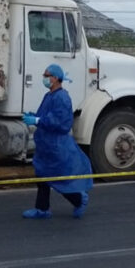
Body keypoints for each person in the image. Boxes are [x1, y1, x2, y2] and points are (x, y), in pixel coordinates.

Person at [22, 63, 94, 219]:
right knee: (43, 177)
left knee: (58, 179)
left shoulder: (62, 97)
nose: (44, 78)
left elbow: (60, 122)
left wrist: (37, 120)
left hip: (56, 146)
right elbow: (44, 115)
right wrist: (34, 116)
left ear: (55, 78)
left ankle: (79, 199)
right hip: (46, 146)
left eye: (46, 76)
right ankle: (42, 209)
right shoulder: (49, 96)